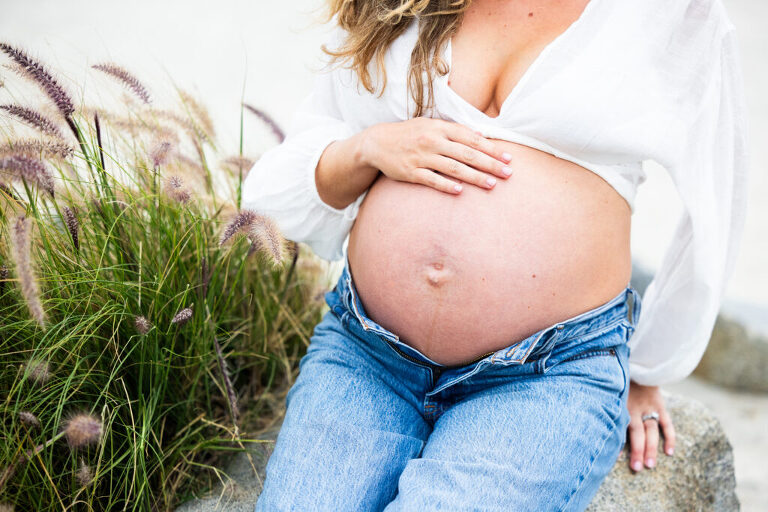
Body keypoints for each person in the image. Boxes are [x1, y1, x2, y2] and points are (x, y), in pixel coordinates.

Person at [244, 0, 749, 510]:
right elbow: (289, 182)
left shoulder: (671, 16)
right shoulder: (397, 4)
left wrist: (651, 366)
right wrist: (366, 147)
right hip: (367, 353)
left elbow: (716, 200)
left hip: (545, 377)